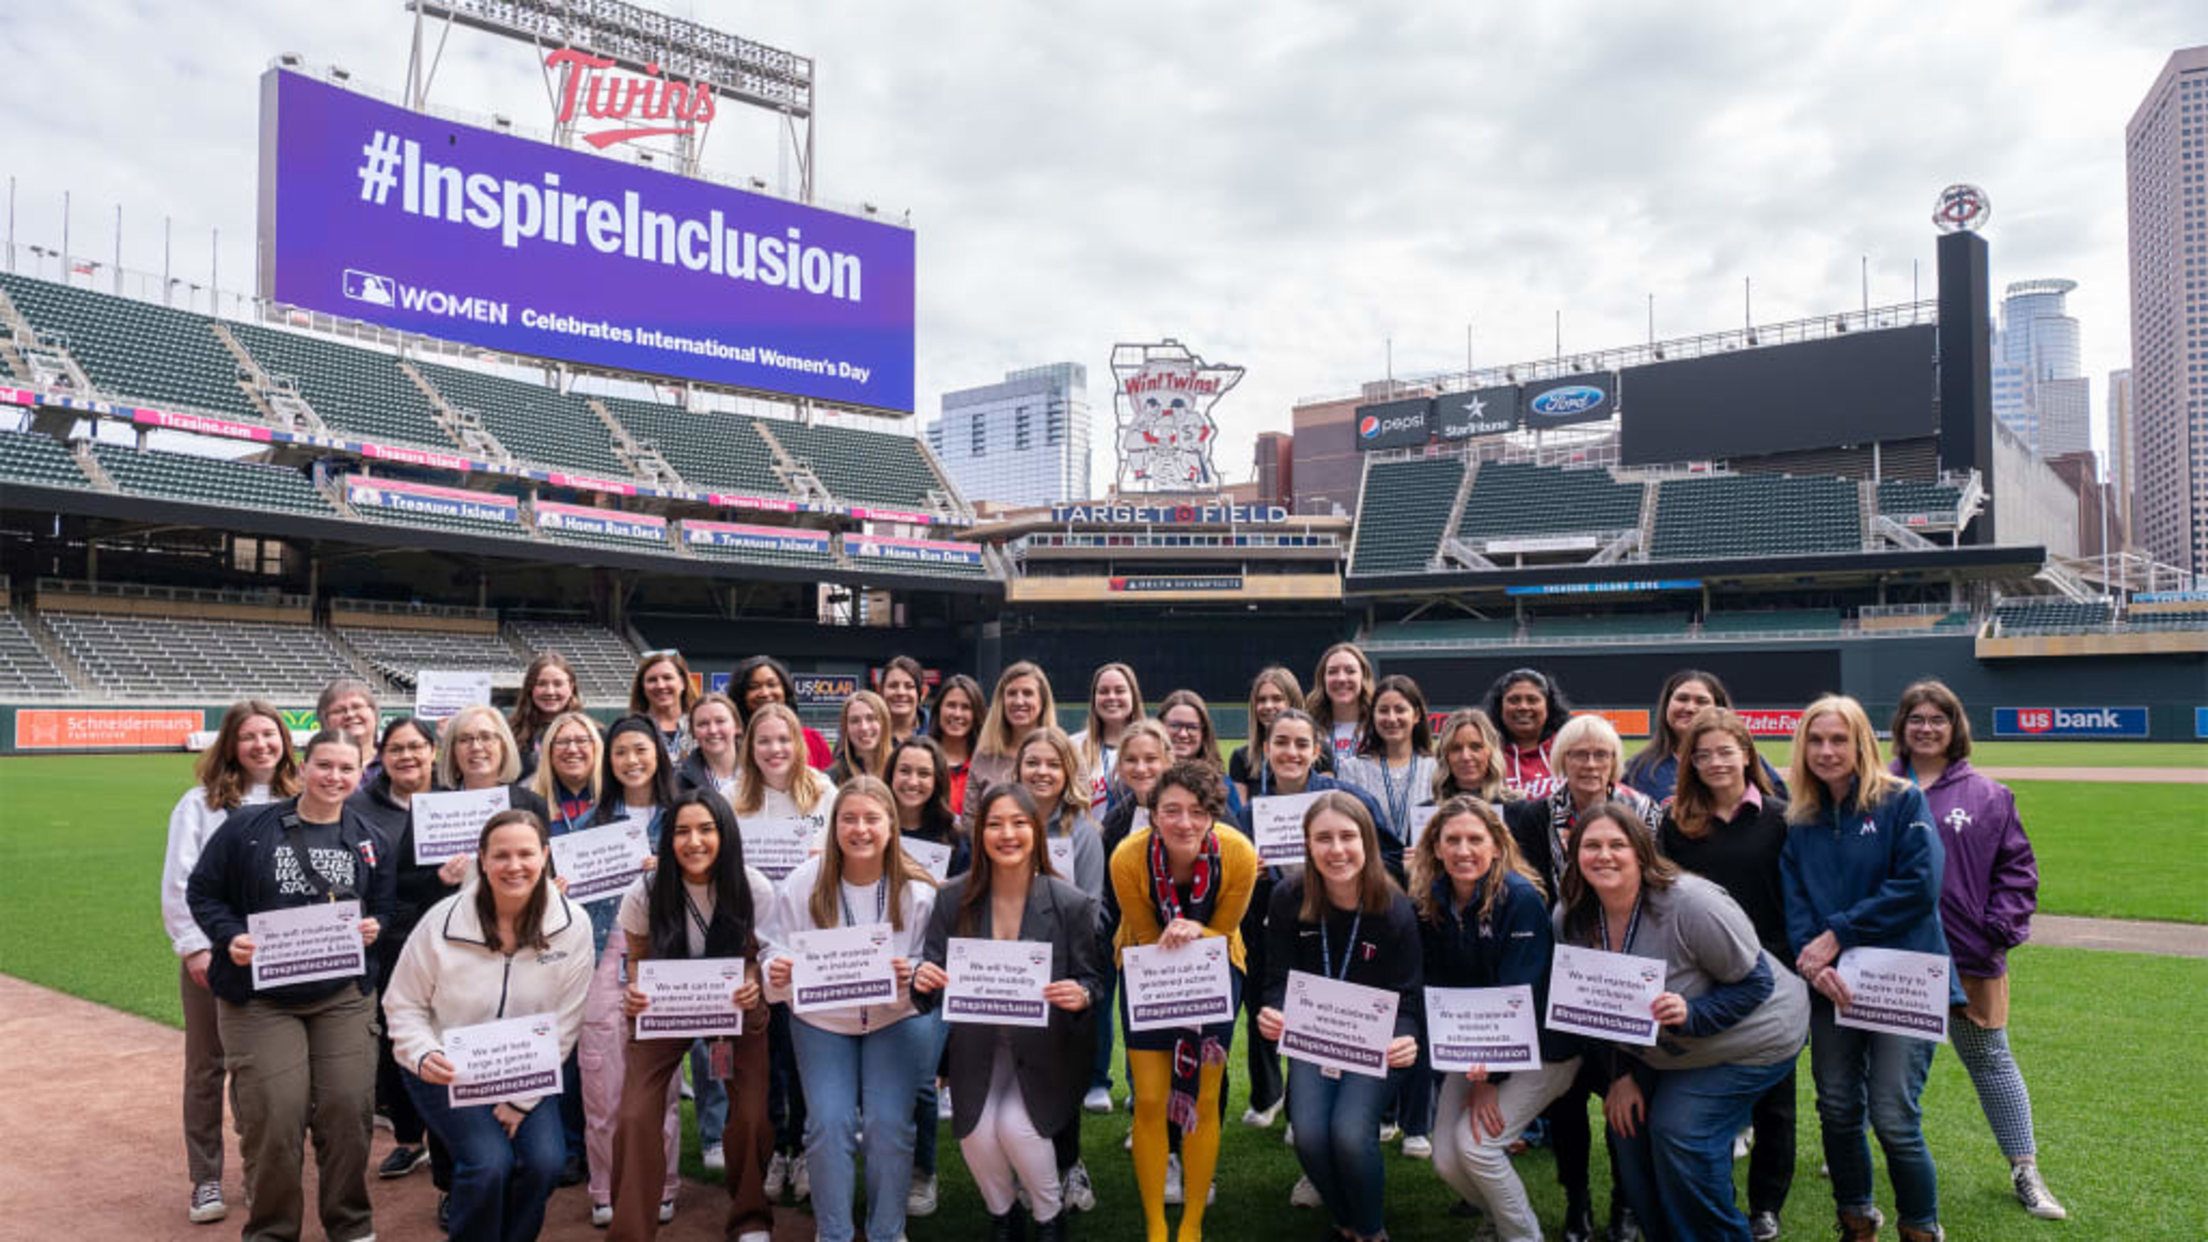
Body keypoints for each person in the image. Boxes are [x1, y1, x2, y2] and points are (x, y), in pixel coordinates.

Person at [1561, 803, 1809, 1242]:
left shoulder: (1690, 904)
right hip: (1666, 1051)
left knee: (1680, 1131)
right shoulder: (1572, 918)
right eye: (1591, 845)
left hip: (1755, 1034)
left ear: (1641, 851)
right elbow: (1593, 1009)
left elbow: (1755, 984)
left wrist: (1693, 1013)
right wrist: (1620, 1076)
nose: (1604, 855)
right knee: (1628, 1131)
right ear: (1574, 853)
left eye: (1617, 844)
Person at [186, 729, 393, 1242]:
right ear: (303, 766)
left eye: (347, 769)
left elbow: (386, 906)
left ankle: (350, 1225)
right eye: (325, 765)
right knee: (275, 1118)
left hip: (341, 996)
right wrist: (229, 936)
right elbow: (203, 892)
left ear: (361, 771)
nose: (335, 777)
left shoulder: (370, 839)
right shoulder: (249, 828)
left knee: (348, 1110)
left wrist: (377, 927)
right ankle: (273, 1231)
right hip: (261, 999)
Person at [1889, 681, 2065, 1221]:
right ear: (1901, 727)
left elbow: (2018, 872)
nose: (1926, 728)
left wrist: (1997, 929)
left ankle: (2025, 1168)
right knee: (1883, 1062)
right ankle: (1855, 1150)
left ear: (1954, 727)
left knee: (1990, 1060)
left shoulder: (1990, 795)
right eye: (1916, 718)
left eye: (1937, 719)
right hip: (1891, 960)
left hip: (1967, 956)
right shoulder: (1874, 787)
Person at [1782, 695, 1955, 1242]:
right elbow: (1795, 905)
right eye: (1815, 740)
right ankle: (1856, 1217)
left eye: (1839, 740)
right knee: (1835, 1107)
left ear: (1862, 743)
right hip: (1831, 987)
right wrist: (1813, 963)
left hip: (1901, 979)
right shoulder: (1800, 817)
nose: (1827, 751)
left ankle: (1920, 1226)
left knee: (1894, 1116)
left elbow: (1919, 887)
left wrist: (1838, 934)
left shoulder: (1901, 801)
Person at [382, 809, 596, 1242]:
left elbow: (566, 1021)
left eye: (525, 854)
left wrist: (522, 1100)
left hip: (527, 1069)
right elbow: (401, 1005)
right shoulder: (442, 921)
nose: (514, 866)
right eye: (501, 855)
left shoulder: (573, 924)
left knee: (545, 1163)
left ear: (545, 855)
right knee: (488, 1163)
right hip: (446, 1065)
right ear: (482, 858)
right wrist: (423, 1054)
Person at [912, 783, 1103, 1242]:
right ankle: (1004, 1216)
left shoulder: (1069, 903)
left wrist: (1082, 994)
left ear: (1036, 832)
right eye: (994, 824)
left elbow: (1093, 981)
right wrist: (924, 981)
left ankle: (1048, 1215)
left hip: (1046, 1050)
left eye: (1019, 823)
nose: (1007, 834)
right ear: (979, 836)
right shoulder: (952, 898)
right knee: (976, 1132)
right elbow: (930, 976)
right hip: (978, 1046)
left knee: (1016, 1127)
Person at [764, 776, 940, 1242]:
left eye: (871, 819)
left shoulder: (918, 891)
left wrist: (915, 970)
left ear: (891, 825)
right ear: (834, 825)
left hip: (893, 1018)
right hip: (821, 1020)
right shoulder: (803, 884)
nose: (860, 829)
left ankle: (887, 1231)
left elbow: (934, 962)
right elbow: (772, 950)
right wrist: (776, 972)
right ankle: (834, 1232)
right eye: (848, 819)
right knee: (828, 1122)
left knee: (887, 1125)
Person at [1505, 711, 1658, 1242]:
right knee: (1566, 1096)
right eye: (1578, 754)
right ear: (1560, 760)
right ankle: (1578, 1204)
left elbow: (1655, 888)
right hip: (1556, 971)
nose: (1590, 764)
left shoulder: (1642, 810)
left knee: (1624, 1087)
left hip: (1620, 971)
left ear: (1615, 760)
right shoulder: (1532, 814)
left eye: (1600, 754)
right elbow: (1524, 889)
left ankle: (1626, 1203)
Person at [610, 789, 777, 1242]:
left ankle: (750, 1217)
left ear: (725, 833)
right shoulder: (644, 892)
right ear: (667, 840)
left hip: (735, 1010)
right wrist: (634, 994)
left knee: (750, 1116)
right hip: (667, 1013)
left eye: (706, 829)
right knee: (635, 1115)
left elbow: (765, 956)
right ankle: (631, 1229)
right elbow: (637, 963)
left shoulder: (753, 886)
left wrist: (753, 981)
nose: (694, 841)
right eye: (682, 831)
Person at [1256, 792, 1423, 1242]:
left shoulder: (1394, 908)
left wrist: (1405, 1037)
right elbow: (1278, 976)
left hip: (1375, 1043)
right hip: (1315, 1040)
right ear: (1307, 844)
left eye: (1347, 836)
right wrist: (1273, 1011)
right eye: (1323, 838)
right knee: (1309, 1134)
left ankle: (1371, 1231)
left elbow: (1408, 997)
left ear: (1366, 841)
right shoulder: (1288, 896)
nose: (1336, 849)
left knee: (1349, 1133)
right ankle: (1345, 1219)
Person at [1413, 795, 1580, 1242]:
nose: (1463, 850)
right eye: (1452, 840)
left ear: (1496, 845)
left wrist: (1492, 1077)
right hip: (1475, 1046)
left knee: (1477, 1147)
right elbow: (1436, 986)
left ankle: (1521, 1235)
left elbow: (1519, 994)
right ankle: (1495, 1220)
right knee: (1446, 1158)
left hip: (1543, 1050)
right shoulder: (1433, 899)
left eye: (1474, 839)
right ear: (1435, 847)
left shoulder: (1519, 897)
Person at [1657, 707, 1797, 1241]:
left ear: (1747, 753)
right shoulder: (1676, 825)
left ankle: (1766, 1207)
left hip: (1775, 974)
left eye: (1725, 751)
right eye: (1703, 753)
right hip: (1700, 980)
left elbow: (1796, 899)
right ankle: (1720, 1199)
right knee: (1707, 1093)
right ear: (1690, 761)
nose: (1715, 762)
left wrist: (1784, 964)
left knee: (1776, 1102)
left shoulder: (1782, 818)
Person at [161, 700, 297, 1226]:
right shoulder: (200, 804)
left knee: (262, 1071)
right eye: (249, 737)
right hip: (216, 956)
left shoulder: (301, 797)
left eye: (270, 734)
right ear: (231, 747)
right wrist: (196, 946)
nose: (262, 745)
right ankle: (206, 1178)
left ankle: (258, 1170)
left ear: (285, 740)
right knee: (206, 1067)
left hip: (282, 956)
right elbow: (179, 881)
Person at [1110, 760, 1257, 1242]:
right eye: (1170, 810)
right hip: (1147, 966)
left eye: (1196, 811)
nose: (1184, 822)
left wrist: (1200, 930)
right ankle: (1156, 1222)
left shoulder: (1238, 853)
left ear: (1213, 814)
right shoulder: (1127, 858)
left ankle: (1192, 1221)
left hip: (1215, 965)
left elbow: (1228, 927)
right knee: (1150, 1100)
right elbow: (1148, 935)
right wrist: (1175, 937)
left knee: (1204, 1097)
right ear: (1153, 814)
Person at [1233, 708, 1385, 1138]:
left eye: (1302, 744)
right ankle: (1285, 1100)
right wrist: (1251, 873)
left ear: (1316, 751)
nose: (1291, 752)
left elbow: (1385, 855)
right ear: (1266, 749)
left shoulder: (1345, 800)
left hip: (1339, 929)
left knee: (1328, 1017)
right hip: (1277, 929)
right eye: (1281, 742)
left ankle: (1324, 1111)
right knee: (1277, 1009)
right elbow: (1231, 884)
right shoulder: (1251, 814)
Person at [578, 716, 684, 1227]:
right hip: (603, 955)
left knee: (658, 1077)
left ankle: (661, 1184)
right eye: (620, 751)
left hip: (664, 955)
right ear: (609, 760)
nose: (631, 760)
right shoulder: (589, 826)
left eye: (640, 749)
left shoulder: (682, 816)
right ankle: (605, 1187)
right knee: (602, 1079)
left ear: (658, 754)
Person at [347, 717, 458, 1201]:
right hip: (391, 943)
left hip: (457, 943)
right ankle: (411, 1139)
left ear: (433, 750)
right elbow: (369, 881)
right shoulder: (359, 808)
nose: (407, 756)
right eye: (395, 749)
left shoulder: (459, 801)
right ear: (381, 755)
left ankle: (453, 1155)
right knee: (399, 1045)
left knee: (450, 1039)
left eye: (416, 746)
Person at [733, 702, 831, 1198]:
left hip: (805, 948)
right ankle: (776, 1152)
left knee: (803, 1057)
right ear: (750, 746)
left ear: (798, 743)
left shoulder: (823, 792)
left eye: (783, 739)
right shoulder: (732, 797)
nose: (774, 750)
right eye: (764, 740)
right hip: (752, 946)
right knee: (763, 1060)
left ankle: (806, 1150)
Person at [1013, 725, 1106, 1211]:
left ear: (1068, 771)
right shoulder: (1005, 820)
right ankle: (1024, 1169)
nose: (1042, 772)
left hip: (1065, 967)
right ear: (1018, 769)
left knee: (1062, 1072)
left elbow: (1093, 908)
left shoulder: (1083, 831)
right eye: (1033, 763)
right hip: (1009, 969)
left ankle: (1070, 1165)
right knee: (1015, 1073)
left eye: (1053, 763)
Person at [522, 708, 605, 1182]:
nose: (573, 749)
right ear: (547, 752)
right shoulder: (532, 805)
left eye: (583, 742)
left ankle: (593, 1142)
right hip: (548, 941)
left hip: (607, 937)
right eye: (562, 742)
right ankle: (564, 1145)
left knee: (599, 1048)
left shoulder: (613, 804)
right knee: (559, 1047)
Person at [884, 734, 965, 1215]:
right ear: (890, 774)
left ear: (937, 781)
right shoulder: (867, 823)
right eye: (904, 771)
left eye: (923, 773)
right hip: (874, 971)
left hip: (936, 976)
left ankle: (922, 1171)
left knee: (919, 1075)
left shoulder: (957, 838)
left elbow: (971, 912)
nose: (912, 781)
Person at [1087, 718, 1172, 1117]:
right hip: (1124, 934)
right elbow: (1104, 879)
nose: (1141, 768)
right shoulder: (1117, 819)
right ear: (1119, 767)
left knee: (1159, 1019)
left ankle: (1156, 1095)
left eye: (1151, 759)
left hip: (1176, 936)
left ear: (1168, 759)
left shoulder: (1190, 806)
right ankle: (1125, 1086)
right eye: (1132, 760)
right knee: (1121, 1011)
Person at [1622, 670, 1786, 803]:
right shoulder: (1637, 769)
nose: (1690, 708)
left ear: (1718, 709)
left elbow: (1783, 816)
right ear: (1667, 704)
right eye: (1682, 698)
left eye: (1702, 701)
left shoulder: (1747, 762)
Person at [1334, 673, 1438, 866]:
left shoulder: (1436, 768)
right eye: (1383, 710)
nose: (1391, 718)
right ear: (1373, 716)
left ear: (1416, 716)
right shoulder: (1352, 770)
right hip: (1371, 876)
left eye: (1400, 710)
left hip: (1424, 873)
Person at [960, 661, 1057, 834]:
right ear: (1001, 701)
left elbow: (1077, 811)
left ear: (1042, 701)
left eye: (1027, 693)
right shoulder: (984, 754)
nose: (1019, 701)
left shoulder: (1064, 751)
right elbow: (970, 821)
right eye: (1012, 693)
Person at [730, 655, 836, 770]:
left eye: (772, 685)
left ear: (785, 689)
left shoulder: (813, 741)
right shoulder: (731, 742)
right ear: (741, 696)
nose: (765, 693)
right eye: (753, 687)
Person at [1483, 668, 1571, 799]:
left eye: (1532, 700)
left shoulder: (1570, 750)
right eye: (1514, 700)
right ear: (1500, 706)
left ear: (1548, 706)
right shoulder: (1485, 755)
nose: (1523, 707)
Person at [1070, 662, 1146, 805]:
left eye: (1119, 690)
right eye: (1103, 691)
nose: (1111, 697)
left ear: (1133, 696)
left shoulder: (1153, 747)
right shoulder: (1074, 746)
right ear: (1094, 699)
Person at [1229, 666, 1306, 802]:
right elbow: (1239, 816)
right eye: (1261, 700)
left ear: (1293, 702)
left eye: (1277, 699)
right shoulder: (1242, 758)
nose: (1268, 706)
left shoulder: (1319, 752)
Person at [510, 652, 583, 782]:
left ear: (571, 687)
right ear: (530, 687)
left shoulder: (593, 734)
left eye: (558, 684)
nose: (550, 691)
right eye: (541, 684)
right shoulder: (509, 733)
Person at [1430, 707, 1519, 805]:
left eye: (1475, 747)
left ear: (1492, 751)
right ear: (1445, 755)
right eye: (1456, 748)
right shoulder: (1427, 812)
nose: (1466, 756)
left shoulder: (1516, 809)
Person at [1306, 641, 1374, 765]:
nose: (1341, 678)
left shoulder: (1378, 727)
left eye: (1350, 671)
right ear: (1323, 679)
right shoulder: (1308, 728)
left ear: (1363, 677)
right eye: (1332, 672)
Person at [929, 674, 986, 816]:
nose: (957, 714)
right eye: (951, 705)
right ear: (939, 709)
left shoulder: (987, 763)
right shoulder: (922, 757)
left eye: (966, 707)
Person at [630, 651, 700, 763]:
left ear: (683, 683)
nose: (660, 686)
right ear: (642, 687)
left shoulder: (700, 726)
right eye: (652, 680)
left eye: (667, 678)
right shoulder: (631, 729)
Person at [677, 692, 744, 805]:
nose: (712, 730)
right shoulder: (680, 782)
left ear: (737, 726)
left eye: (720, 721)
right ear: (693, 732)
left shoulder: (762, 769)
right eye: (703, 724)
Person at [826, 689, 894, 785]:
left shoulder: (899, 771)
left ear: (884, 723)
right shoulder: (831, 779)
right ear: (846, 729)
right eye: (855, 721)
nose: (864, 727)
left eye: (871, 718)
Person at [318, 677, 381, 772]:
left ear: (374, 714)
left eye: (357, 707)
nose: (350, 715)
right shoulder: (312, 769)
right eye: (339, 710)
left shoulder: (396, 763)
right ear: (325, 721)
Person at [880, 656, 929, 742]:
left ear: (922, 693)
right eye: (893, 686)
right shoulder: (869, 731)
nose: (900, 692)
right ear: (881, 691)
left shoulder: (937, 729)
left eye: (909, 686)